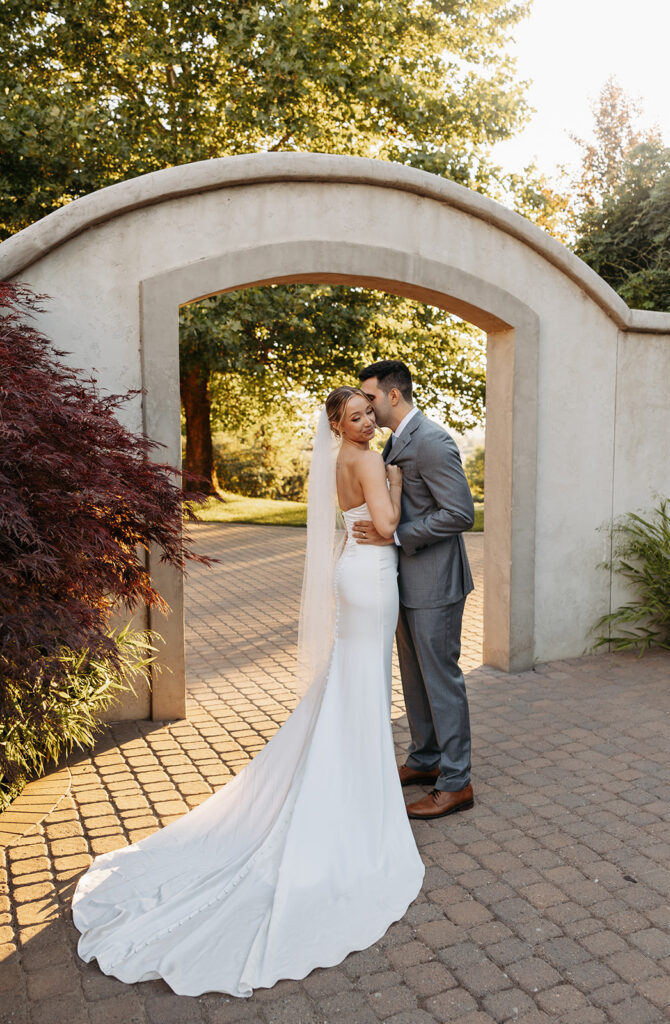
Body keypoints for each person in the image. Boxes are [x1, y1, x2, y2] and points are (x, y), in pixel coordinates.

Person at [71, 386, 424, 998]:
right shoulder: (369, 461)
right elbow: (387, 525)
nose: (368, 424)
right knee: (362, 683)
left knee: (353, 682)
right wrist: (392, 482)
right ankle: (351, 798)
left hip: (355, 573)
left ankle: (346, 775)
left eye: (370, 415)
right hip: (371, 576)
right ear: (338, 425)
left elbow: (356, 521)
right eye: (356, 417)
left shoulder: (340, 461)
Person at [355, 360, 475, 820]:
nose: (365, 406)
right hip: (404, 582)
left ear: (392, 396)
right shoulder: (395, 441)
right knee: (415, 677)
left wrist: (398, 536)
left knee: (441, 679)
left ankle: (456, 782)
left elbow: (460, 513)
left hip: (436, 582)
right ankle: (426, 759)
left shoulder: (431, 441)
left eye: (369, 398)